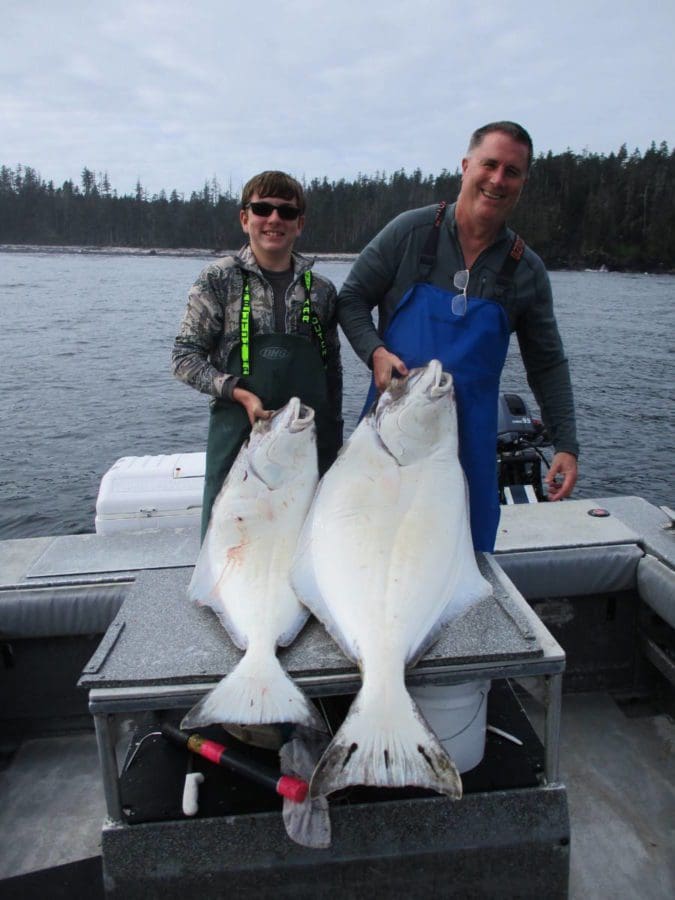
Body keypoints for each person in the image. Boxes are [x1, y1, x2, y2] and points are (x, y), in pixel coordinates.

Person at [337, 121, 579, 551]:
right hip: (389, 437)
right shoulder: (409, 233)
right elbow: (352, 298)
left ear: (523, 183)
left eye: (512, 171)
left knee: (459, 553)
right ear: (466, 166)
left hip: (467, 450)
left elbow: (547, 364)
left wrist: (566, 443)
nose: (497, 179)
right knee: (362, 545)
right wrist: (374, 351)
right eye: (489, 164)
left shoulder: (527, 271)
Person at [172, 170, 343, 541]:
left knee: (305, 544)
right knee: (230, 548)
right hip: (239, 444)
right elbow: (184, 358)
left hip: (305, 445)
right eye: (263, 209)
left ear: (300, 224)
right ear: (244, 217)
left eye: (286, 211)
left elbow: (332, 371)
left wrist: (333, 437)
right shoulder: (218, 280)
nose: (274, 219)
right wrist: (239, 393)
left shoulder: (323, 291)